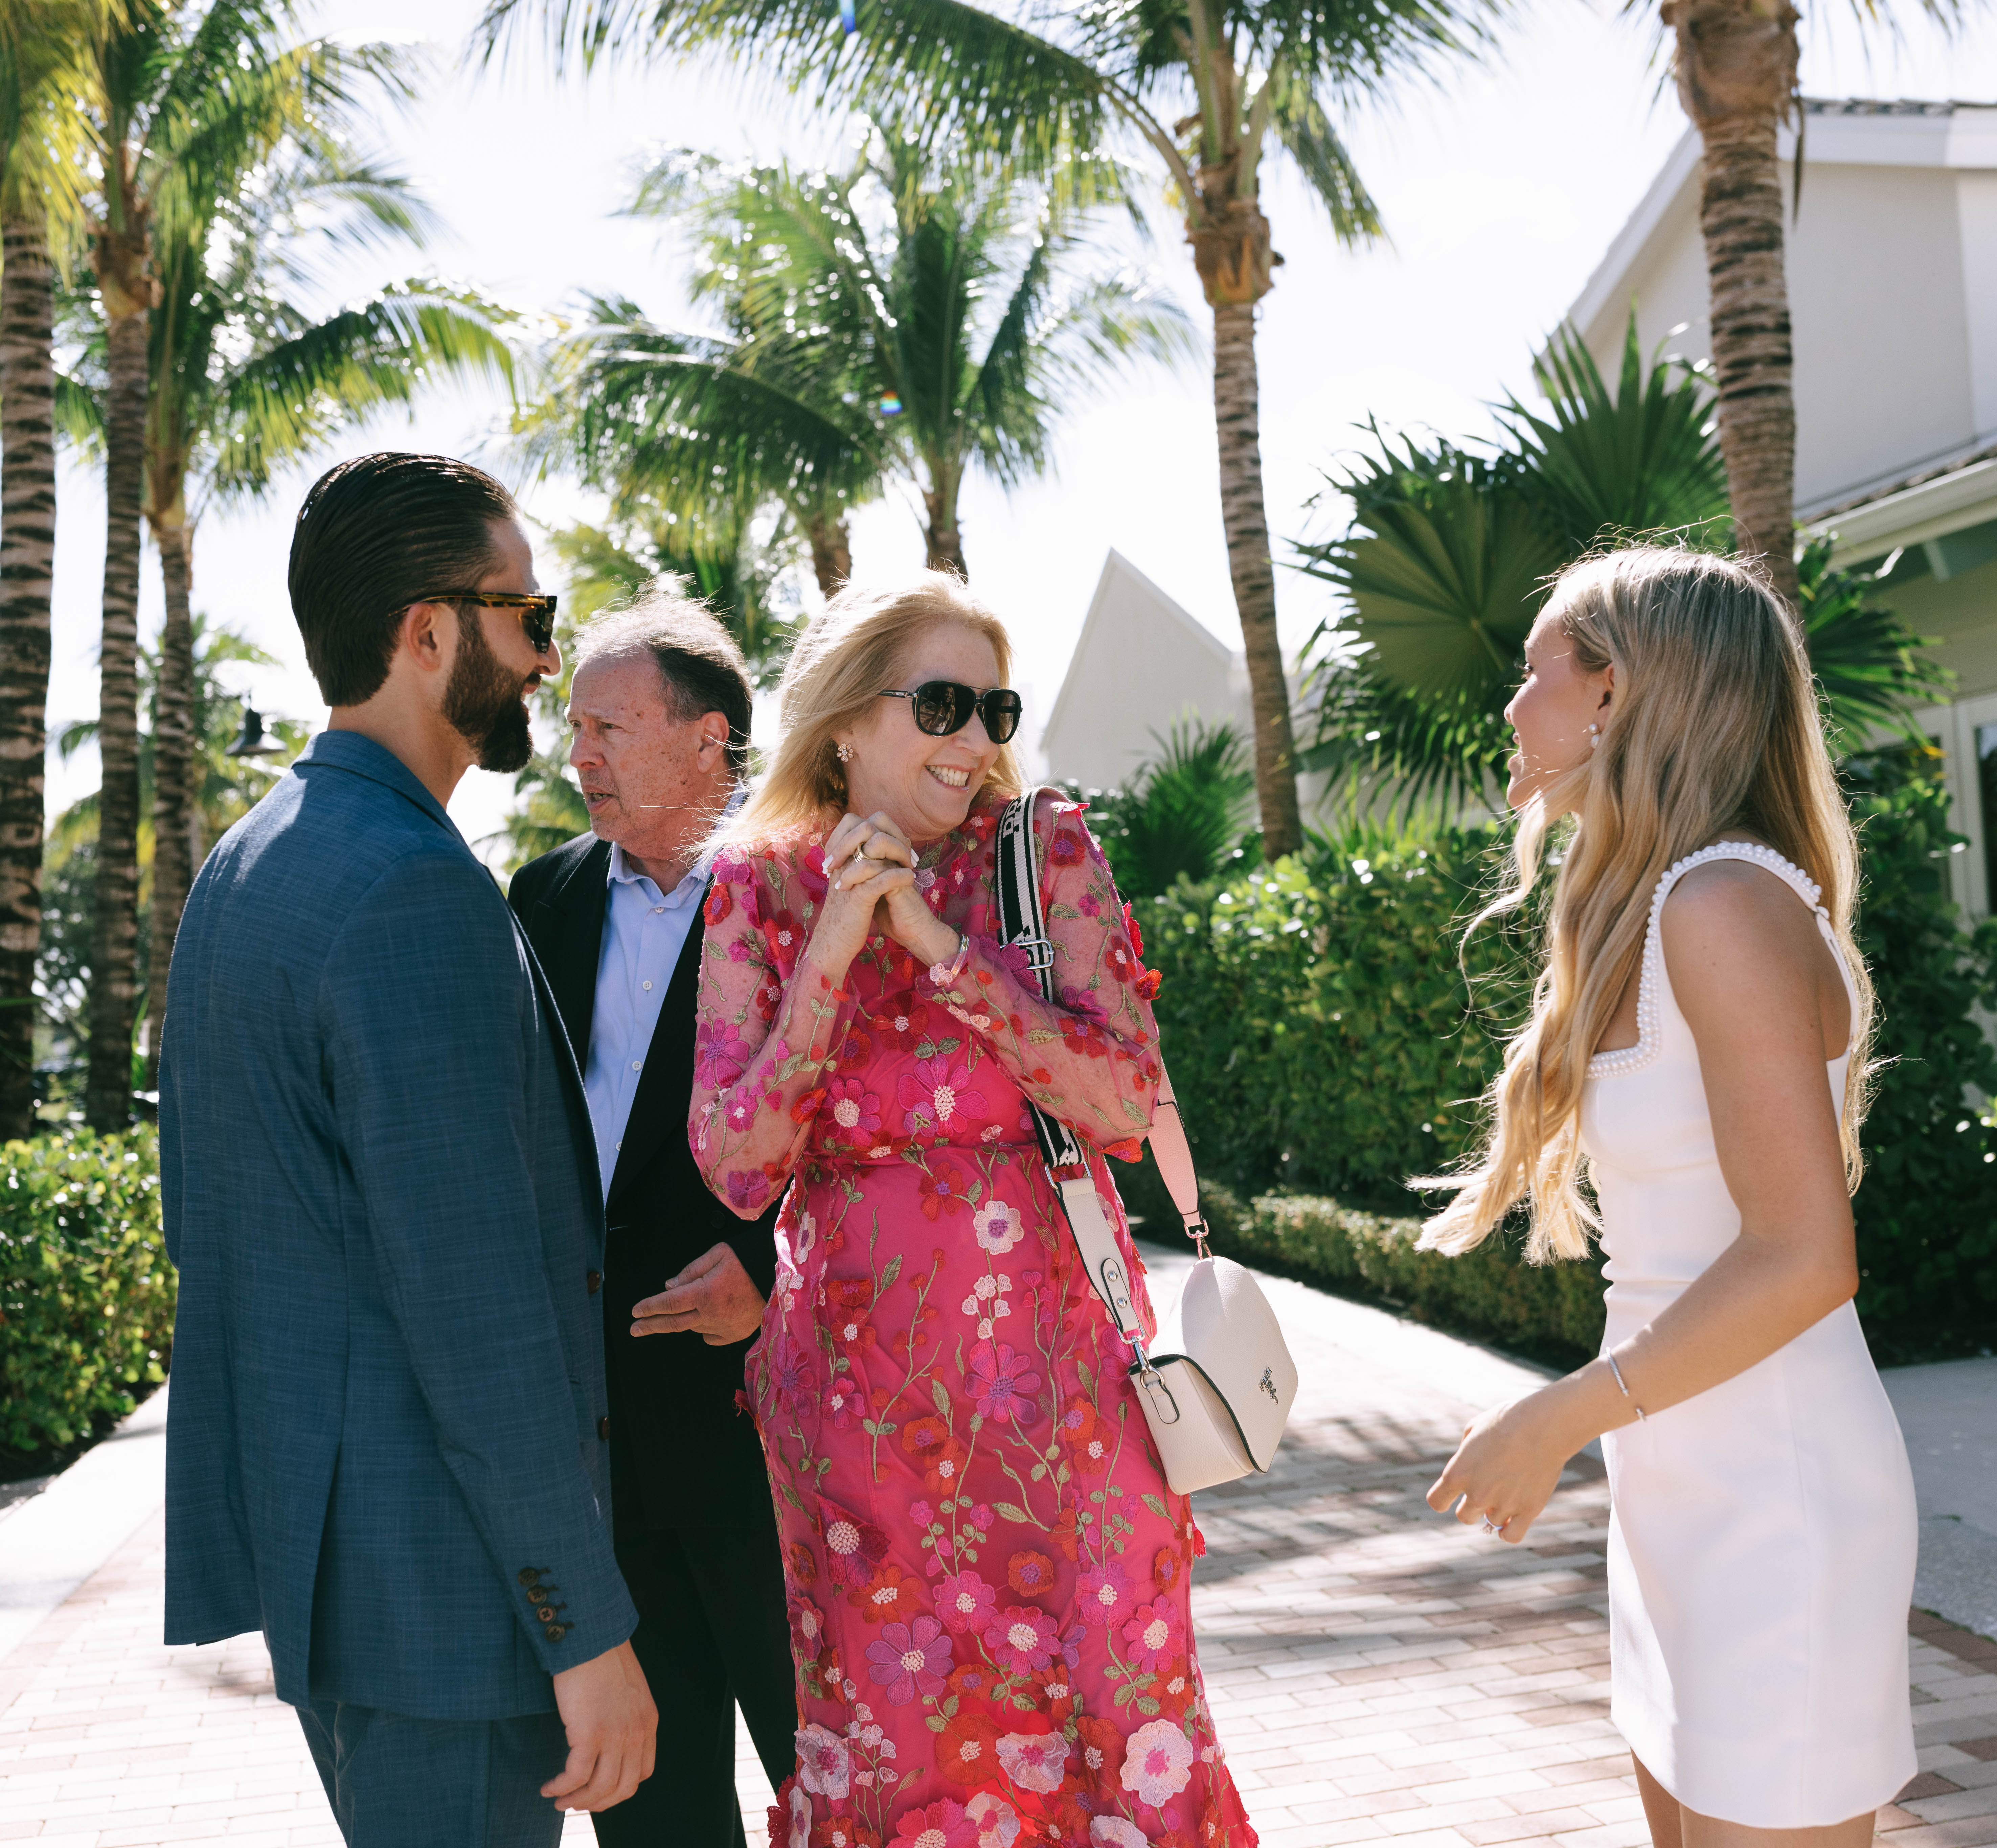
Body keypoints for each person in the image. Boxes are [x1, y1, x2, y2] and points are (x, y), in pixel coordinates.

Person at [688, 573, 1255, 1848]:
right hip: (858, 1423)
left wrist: (943, 955)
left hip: (1067, 1401)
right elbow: (735, 1164)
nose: (975, 739)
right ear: (843, 720)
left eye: (993, 708)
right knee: (906, 1752)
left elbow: (1125, 1100)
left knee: (1119, 1723)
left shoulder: (1042, 854)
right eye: (940, 704)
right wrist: (833, 953)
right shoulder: (759, 891)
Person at [159, 453, 658, 1848]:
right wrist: (584, 1631)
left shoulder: (251, 862)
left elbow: (202, 1221)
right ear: (427, 632)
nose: (549, 658)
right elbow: (479, 1308)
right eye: (529, 614)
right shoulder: (414, 893)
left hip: (346, 1582)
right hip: (454, 1605)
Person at [1420, 547, 1917, 1845]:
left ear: (1614, 695)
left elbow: (1807, 1256)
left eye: (1533, 672)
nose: (1513, 708)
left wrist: (1561, 1418)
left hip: (1778, 1499)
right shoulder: (1654, 904)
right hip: (1679, 1480)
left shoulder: (1723, 903)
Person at [507, 595, 799, 1845]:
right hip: (611, 1452)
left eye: (609, 725)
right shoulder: (540, 901)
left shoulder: (810, 889)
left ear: (709, 739)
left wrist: (771, 1284)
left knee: (843, 1787)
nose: (580, 754)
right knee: (661, 1821)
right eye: (575, 725)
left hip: (781, 1445)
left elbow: (884, 1143)